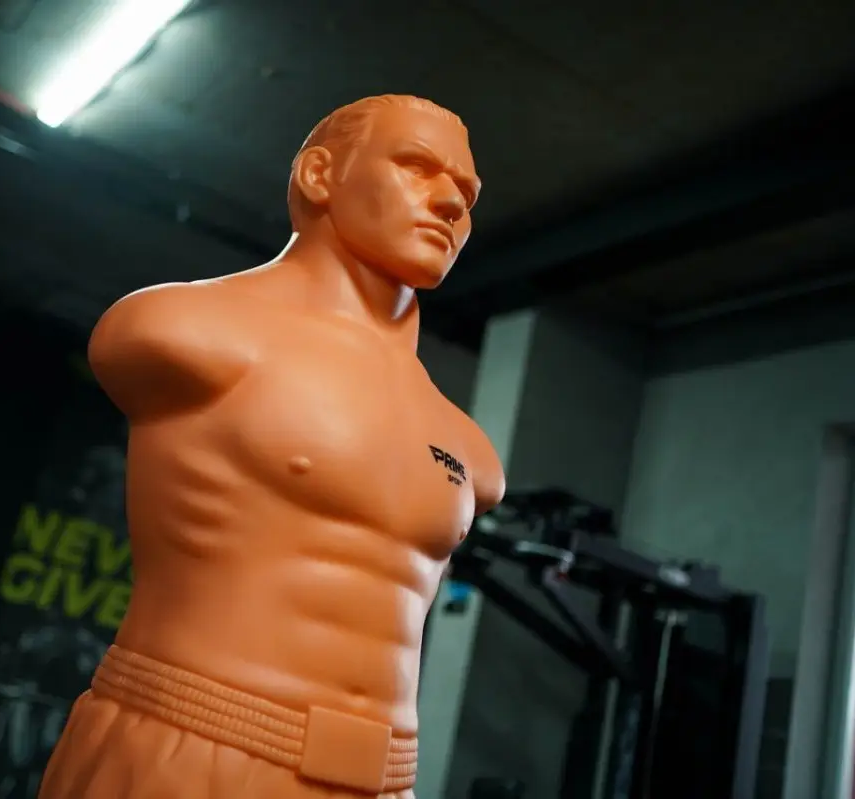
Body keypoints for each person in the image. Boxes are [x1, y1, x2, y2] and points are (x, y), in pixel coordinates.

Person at [38, 95, 505, 799]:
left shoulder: (469, 450)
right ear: (319, 176)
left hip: (387, 780)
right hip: (198, 744)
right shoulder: (183, 330)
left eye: (466, 194)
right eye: (417, 167)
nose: (449, 203)